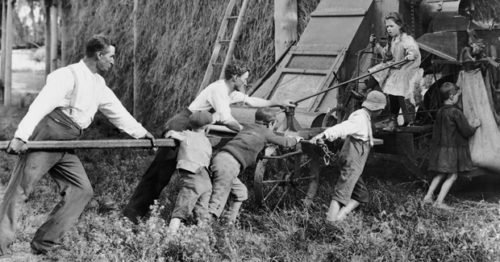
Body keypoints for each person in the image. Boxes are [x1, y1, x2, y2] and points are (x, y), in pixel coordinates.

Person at [0, 35, 154, 255]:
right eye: (110, 57)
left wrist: (142, 133)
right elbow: (40, 106)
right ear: (99, 55)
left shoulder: (98, 84)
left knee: (82, 190)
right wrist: (21, 136)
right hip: (49, 134)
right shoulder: (67, 75)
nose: (113, 62)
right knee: (21, 188)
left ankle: (44, 242)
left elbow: (116, 112)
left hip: (68, 140)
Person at [123, 64, 296, 223]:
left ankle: (187, 215)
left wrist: (278, 103)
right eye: (244, 77)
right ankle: (131, 216)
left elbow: (251, 101)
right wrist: (246, 131)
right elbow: (227, 119)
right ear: (234, 77)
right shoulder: (219, 90)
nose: (246, 81)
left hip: (196, 128)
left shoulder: (230, 92)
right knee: (159, 174)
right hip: (183, 125)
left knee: (195, 176)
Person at [208, 108, 301, 225]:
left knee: (241, 193)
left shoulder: (247, 127)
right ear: (271, 124)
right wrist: (296, 139)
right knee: (217, 200)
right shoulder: (266, 132)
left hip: (220, 158)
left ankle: (228, 222)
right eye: (274, 125)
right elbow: (285, 142)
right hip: (230, 165)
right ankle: (204, 228)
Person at [310, 90, 386, 222]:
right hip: (352, 159)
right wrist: (325, 135)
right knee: (342, 192)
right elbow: (342, 128)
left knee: (361, 195)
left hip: (355, 161)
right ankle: (330, 222)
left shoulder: (364, 117)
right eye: (381, 110)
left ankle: (339, 217)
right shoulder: (360, 119)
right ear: (377, 109)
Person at [423, 82, 480, 209]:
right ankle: (439, 202)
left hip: (441, 149)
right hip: (451, 151)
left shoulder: (440, 112)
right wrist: (475, 126)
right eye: (457, 96)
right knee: (453, 175)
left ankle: (427, 197)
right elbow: (466, 131)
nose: (458, 99)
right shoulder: (456, 112)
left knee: (440, 173)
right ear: (451, 96)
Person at [366, 12, 421, 130]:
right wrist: (375, 44)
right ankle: (393, 118)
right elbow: (386, 56)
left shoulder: (406, 38)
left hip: (408, 69)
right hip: (396, 68)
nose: (389, 29)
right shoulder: (393, 40)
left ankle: (409, 120)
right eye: (387, 27)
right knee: (381, 72)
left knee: (399, 88)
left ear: (399, 26)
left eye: (392, 26)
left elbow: (413, 51)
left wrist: (410, 55)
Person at [167, 111, 213, 233]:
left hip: (193, 176)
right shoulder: (207, 141)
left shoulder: (185, 135)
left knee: (181, 209)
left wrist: (170, 134)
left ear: (190, 124)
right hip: (206, 178)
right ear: (207, 126)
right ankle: (202, 236)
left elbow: (171, 134)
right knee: (202, 211)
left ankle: (170, 236)